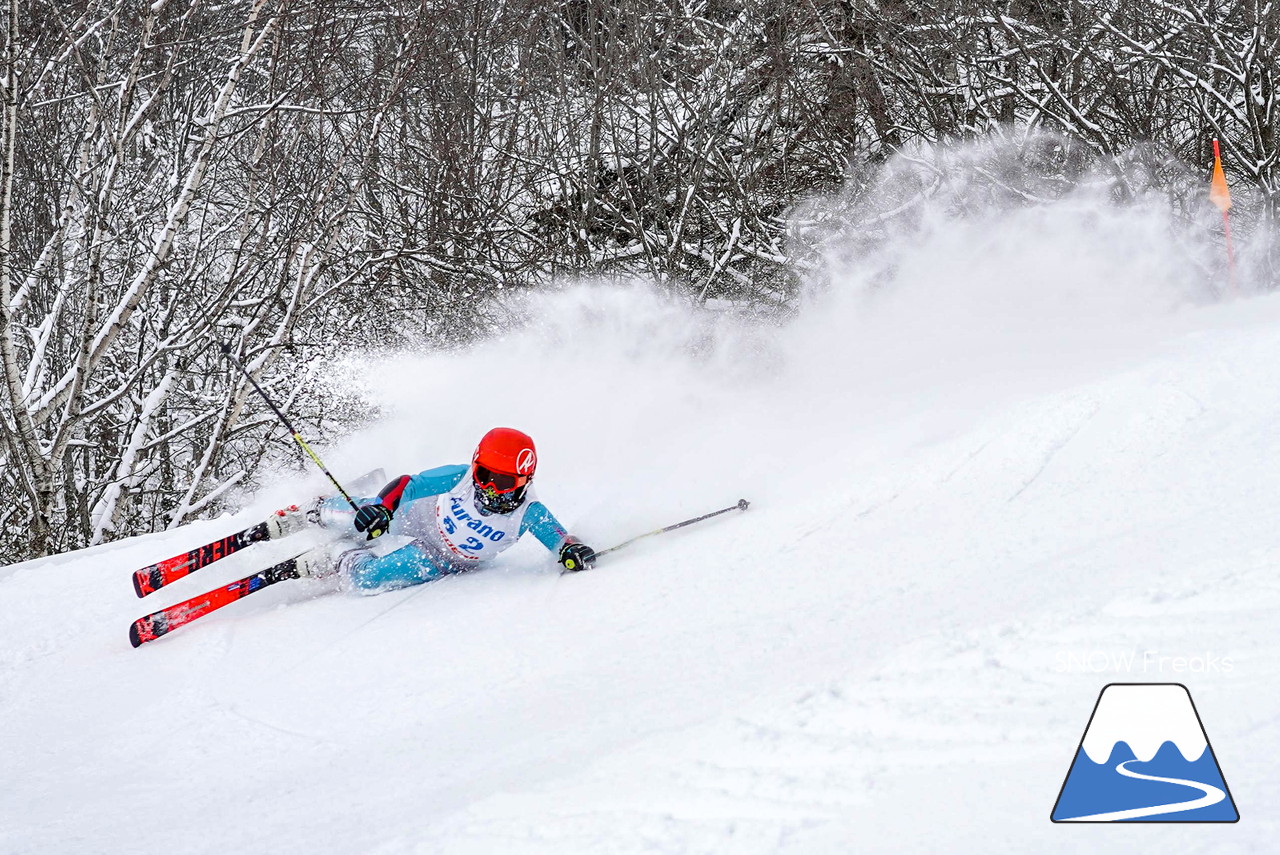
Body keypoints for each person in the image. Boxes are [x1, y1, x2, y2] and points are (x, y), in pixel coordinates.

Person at [268, 427, 596, 592]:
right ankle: (317, 512)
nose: (490, 488)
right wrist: (383, 507)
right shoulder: (459, 478)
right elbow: (408, 483)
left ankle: (338, 555)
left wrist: (574, 551)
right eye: (485, 475)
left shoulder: (529, 513)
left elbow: (560, 539)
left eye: (504, 482)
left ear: (525, 480)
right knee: (364, 516)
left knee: (365, 581)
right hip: (420, 514)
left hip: (442, 558)